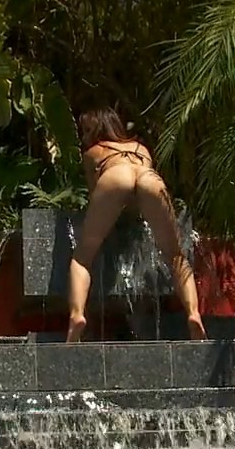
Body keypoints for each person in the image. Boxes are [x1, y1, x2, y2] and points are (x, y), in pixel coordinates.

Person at [67, 106, 207, 343]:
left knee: (82, 258)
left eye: (87, 130)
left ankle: (77, 316)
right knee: (175, 255)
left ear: (96, 129)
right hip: (149, 178)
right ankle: (193, 314)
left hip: (114, 176)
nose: (84, 136)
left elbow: (96, 196)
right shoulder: (140, 148)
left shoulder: (93, 153)